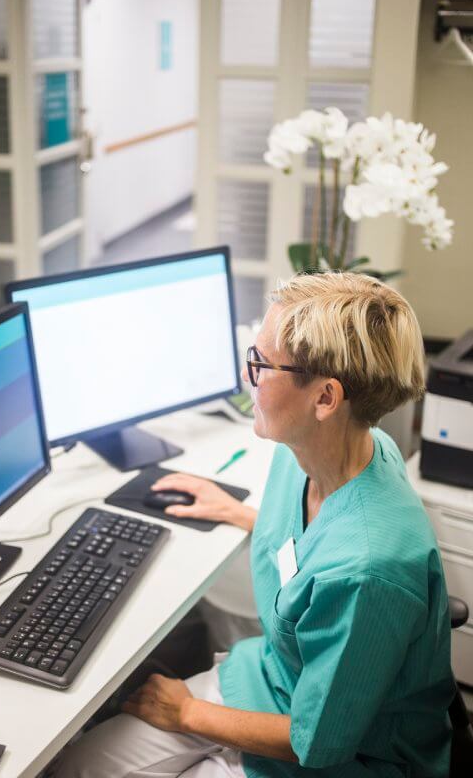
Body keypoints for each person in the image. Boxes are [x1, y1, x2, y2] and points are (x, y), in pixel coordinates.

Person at [55, 272, 454, 778]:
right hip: (270, 680)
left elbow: (318, 741)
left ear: (325, 398)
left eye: (261, 364)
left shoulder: (367, 570)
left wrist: (186, 712)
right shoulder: (325, 452)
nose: (250, 377)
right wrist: (237, 511)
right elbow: (316, 545)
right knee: (78, 766)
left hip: (341, 755)